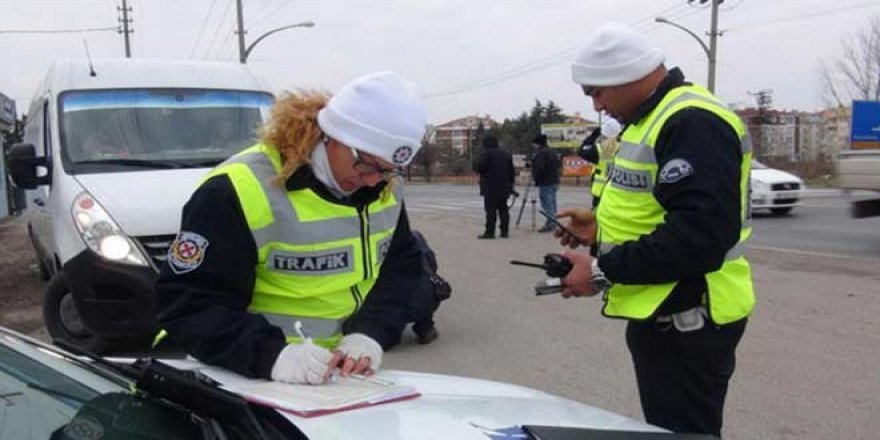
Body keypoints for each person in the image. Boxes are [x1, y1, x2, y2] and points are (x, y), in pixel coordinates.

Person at [155, 71, 429, 386]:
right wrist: (272, 355)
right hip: (244, 373)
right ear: (333, 135)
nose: (372, 180)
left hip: (338, 377)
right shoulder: (237, 190)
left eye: (387, 170)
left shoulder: (385, 187)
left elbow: (401, 267)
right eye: (365, 164)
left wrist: (369, 334)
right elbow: (189, 304)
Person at [556, 23, 754, 436]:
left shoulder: (690, 121)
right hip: (668, 311)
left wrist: (599, 268)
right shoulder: (654, 117)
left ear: (626, 77)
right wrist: (598, 232)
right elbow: (657, 209)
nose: (597, 105)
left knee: (683, 431)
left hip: (690, 316)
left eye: (597, 92)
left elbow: (698, 238)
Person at [474, 134, 515, 239]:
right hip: (504, 187)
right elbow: (512, 172)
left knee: (490, 211)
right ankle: (504, 231)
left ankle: (490, 232)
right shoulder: (506, 154)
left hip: (490, 187)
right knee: (503, 209)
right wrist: (511, 186)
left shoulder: (486, 154)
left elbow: (480, 168)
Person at [530, 134, 561, 232]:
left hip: (545, 182)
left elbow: (539, 168)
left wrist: (535, 177)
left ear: (537, 144)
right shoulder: (552, 152)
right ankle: (553, 222)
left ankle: (551, 224)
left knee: (547, 204)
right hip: (554, 180)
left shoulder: (541, 153)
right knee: (552, 203)